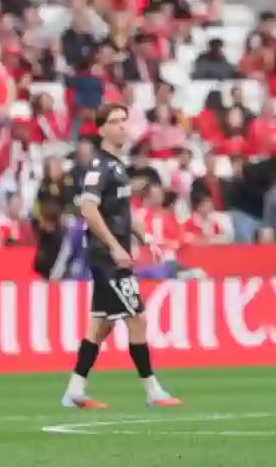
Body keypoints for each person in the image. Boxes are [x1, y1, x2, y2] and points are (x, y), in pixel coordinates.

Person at [60, 103, 181, 409]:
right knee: (136, 318)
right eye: (114, 122)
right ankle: (153, 391)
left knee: (100, 327)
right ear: (100, 130)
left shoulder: (117, 166)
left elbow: (124, 210)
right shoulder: (99, 167)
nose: (121, 127)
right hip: (107, 258)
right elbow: (88, 209)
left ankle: (74, 390)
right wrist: (115, 246)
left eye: (124, 121)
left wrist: (146, 237)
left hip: (114, 255)